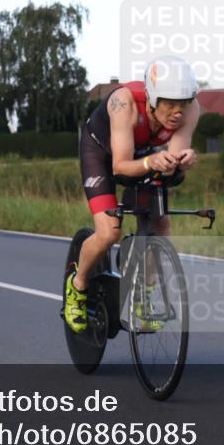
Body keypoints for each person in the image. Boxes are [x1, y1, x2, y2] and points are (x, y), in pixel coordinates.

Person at [65, 55, 200, 333]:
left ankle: (143, 295)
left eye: (183, 104)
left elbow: (172, 160)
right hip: (101, 153)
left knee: (159, 225)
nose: (178, 112)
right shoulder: (124, 102)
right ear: (152, 99)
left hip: (140, 155)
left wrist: (180, 161)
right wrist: (153, 161)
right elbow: (120, 166)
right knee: (109, 232)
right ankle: (77, 286)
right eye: (170, 104)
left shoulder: (192, 109)